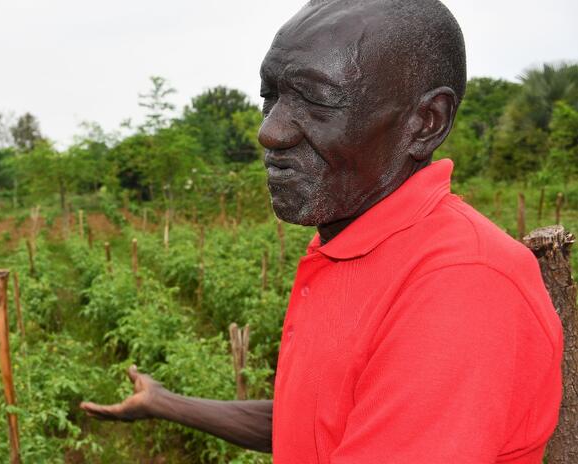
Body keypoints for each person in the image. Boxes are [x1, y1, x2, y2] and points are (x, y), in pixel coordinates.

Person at [81, 0, 564, 462]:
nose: (269, 132)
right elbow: (317, 424)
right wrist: (166, 404)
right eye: (270, 97)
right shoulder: (348, 245)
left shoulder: (459, 283)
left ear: (425, 122)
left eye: (316, 100)